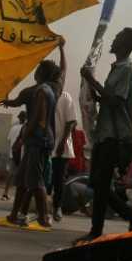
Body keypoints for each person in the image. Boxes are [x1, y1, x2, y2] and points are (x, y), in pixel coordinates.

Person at [75, 28, 132, 244]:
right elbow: (108, 99)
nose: (113, 39)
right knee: (97, 182)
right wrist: (91, 93)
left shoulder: (127, 70)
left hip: (115, 135)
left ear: (126, 44)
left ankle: (97, 231)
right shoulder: (116, 69)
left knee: (101, 182)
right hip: (104, 133)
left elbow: (116, 101)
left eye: (118, 37)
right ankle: (131, 215)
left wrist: (91, 80)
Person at [0, 38, 67, 231]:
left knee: (35, 181)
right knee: (22, 178)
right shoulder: (54, 88)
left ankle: (44, 218)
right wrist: (62, 49)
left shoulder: (40, 91)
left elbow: (38, 117)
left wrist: (22, 138)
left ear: (41, 74)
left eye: (37, 70)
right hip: (39, 141)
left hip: (38, 140)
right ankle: (14, 215)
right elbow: (63, 71)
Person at [50, 87, 78, 222]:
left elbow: (71, 121)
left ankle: (57, 206)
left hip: (61, 146)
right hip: (46, 143)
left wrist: (62, 143)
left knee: (59, 180)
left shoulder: (65, 97)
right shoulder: (44, 94)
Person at [3, 111, 26, 201]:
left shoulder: (13, 128)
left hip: (13, 154)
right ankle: (19, 196)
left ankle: (5, 193)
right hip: (22, 155)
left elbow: (9, 141)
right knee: (22, 176)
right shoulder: (26, 128)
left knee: (10, 174)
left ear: (19, 118)